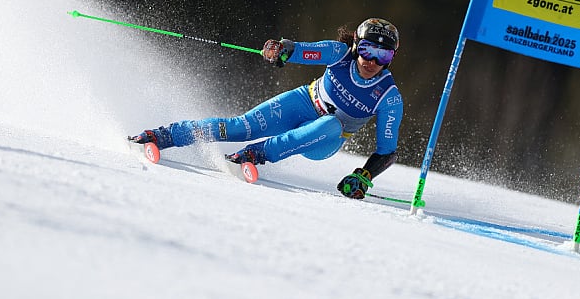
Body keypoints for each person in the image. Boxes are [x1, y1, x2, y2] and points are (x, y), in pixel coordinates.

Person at [129, 18, 404, 199]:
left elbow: (386, 151)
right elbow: (301, 50)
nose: (372, 61)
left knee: (332, 124)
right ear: (356, 46)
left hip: (325, 139)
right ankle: (162, 136)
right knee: (239, 127)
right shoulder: (339, 54)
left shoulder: (389, 97)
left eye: (383, 55)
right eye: (368, 50)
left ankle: (253, 155)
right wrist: (280, 49)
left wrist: (362, 177)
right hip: (304, 102)